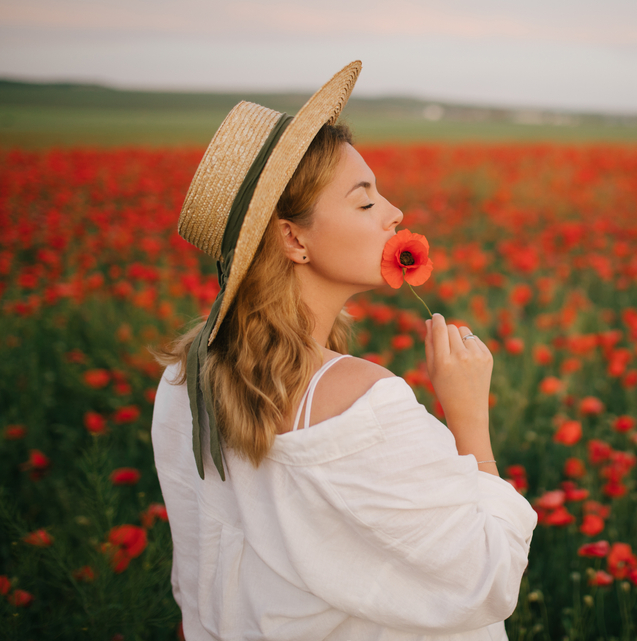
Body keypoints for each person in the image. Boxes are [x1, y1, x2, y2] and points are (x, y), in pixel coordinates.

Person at [151, 61, 536, 640]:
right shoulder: (366, 405)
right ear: (293, 238)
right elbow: (487, 579)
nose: (395, 213)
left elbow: (201, 563)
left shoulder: (186, 378)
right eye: (364, 202)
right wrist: (468, 420)